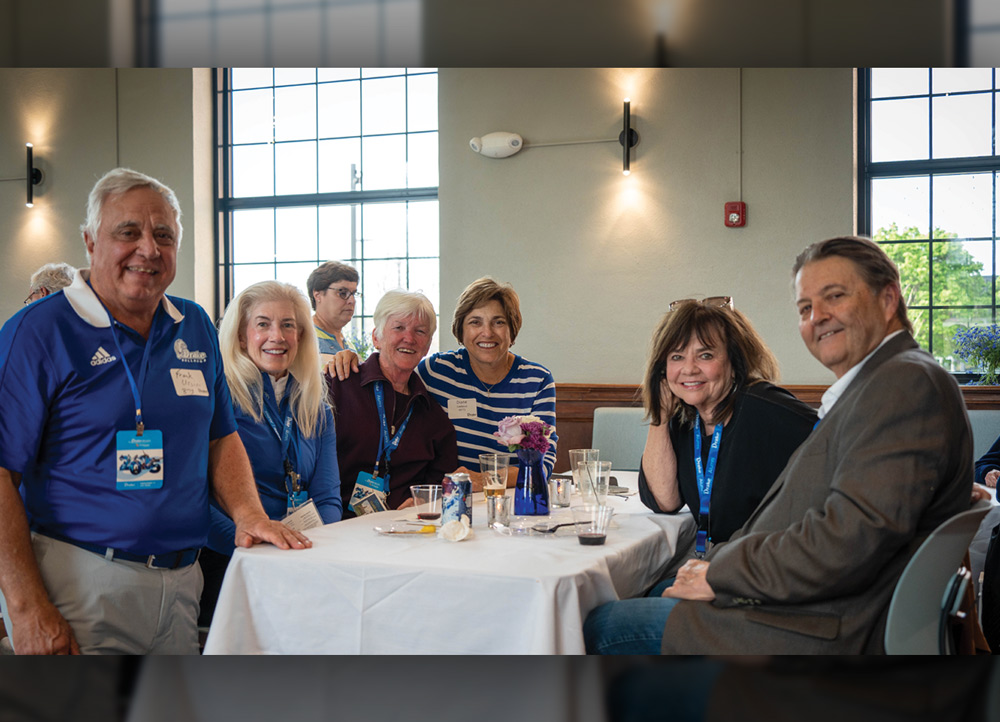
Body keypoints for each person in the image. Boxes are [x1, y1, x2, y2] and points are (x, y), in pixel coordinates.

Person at [584, 235, 974, 654]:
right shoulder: (879, 385)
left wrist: (719, 573)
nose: (817, 316)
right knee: (650, 589)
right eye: (805, 308)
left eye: (835, 296)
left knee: (600, 623)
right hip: (813, 600)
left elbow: (847, 541)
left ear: (888, 298)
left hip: (832, 625)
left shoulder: (902, 386)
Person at [0, 168, 310, 655]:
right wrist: (23, 608)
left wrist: (249, 513)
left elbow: (219, 436)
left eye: (162, 235)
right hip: (81, 585)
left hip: (182, 583)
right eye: (127, 232)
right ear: (89, 241)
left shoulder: (195, 327)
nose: (148, 249)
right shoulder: (39, 332)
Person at [638, 297, 816, 581]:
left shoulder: (764, 408)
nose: (689, 368)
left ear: (735, 361)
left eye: (705, 355)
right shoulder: (687, 418)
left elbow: (844, 463)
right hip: (721, 571)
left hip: (770, 579)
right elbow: (665, 500)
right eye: (676, 356)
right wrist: (659, 416)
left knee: (603, 622)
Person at [199, 280, 343, 625]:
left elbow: (328, 498)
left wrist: (301, 548)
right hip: (233, 560)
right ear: (240, 336)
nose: (277, 336)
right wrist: (252, 545)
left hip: (301, 558)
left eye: (288, 325)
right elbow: (196, 498)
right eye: (263, 324)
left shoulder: (315, 407)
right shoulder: (215, 402)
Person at [331, 277, 557, 487]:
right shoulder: (437, 371)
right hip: (451, 498)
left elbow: (542, 464)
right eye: (475, 322)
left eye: (498, 322)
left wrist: (483, 480)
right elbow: (394, 367)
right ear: (461, 329)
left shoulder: (537, 380)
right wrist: (350, 358)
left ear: (512, 328)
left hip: (511, 498)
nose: (487, 332)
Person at [326, 289, 458, 516]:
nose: (409, 338)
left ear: (427, 346)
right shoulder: (339, 385)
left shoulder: (431, 414)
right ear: (376, 337)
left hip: (406, 529)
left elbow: (443, 480)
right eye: (399, 328)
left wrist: (425, 501)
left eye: (420, 331)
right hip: (339, 525)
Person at [307, 260, 360, 362]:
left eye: (353, 294)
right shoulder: (304, 340)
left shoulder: (350, 347)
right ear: (318, 295)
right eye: (342, 293)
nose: (352, 301)